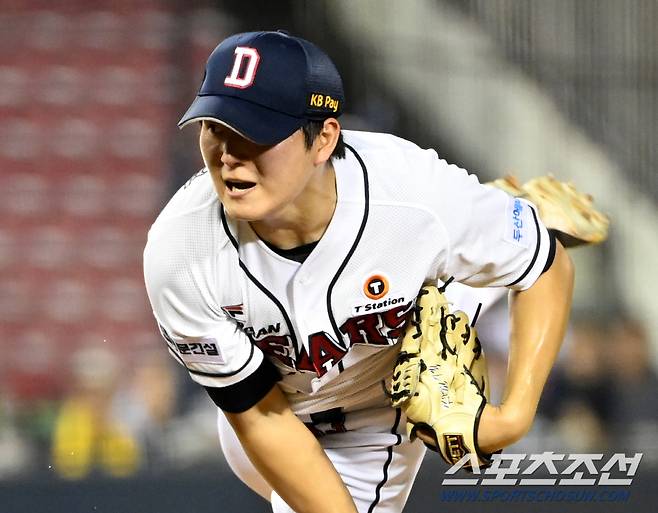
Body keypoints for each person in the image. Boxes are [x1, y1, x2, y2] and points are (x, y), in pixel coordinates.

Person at [143, 30, 574, 513]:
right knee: (423, 278)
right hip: (265, 420)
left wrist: (513, 417)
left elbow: (548, 266)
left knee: (453, 260)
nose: (227, 154)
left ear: (323, 137)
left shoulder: (411, 194)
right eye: (215, 126)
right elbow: (260, 416)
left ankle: (505, 221)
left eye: (254, 131)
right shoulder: (180, 248)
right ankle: (498, 223)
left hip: (371, 420)